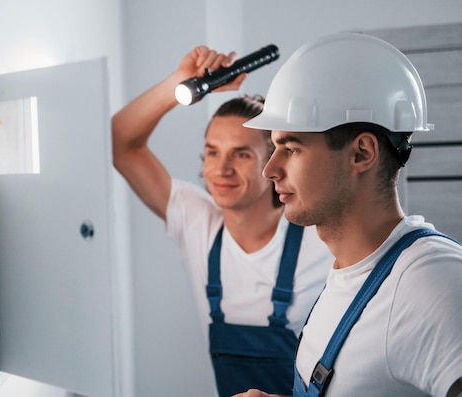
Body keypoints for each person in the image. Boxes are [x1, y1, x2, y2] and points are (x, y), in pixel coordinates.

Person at [236, 32, 462, 397]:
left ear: (361, 154)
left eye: (291, 148)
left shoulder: (431, 284)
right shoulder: (350, 272)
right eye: (275, 147)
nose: (270, 169)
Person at [111, 46, 333, 396]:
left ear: (273, 162)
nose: (221, 169)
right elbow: (120, 141)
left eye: (241, 154)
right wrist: (179, 83)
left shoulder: (322, 239)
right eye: (213, 152)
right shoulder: (195, 219)